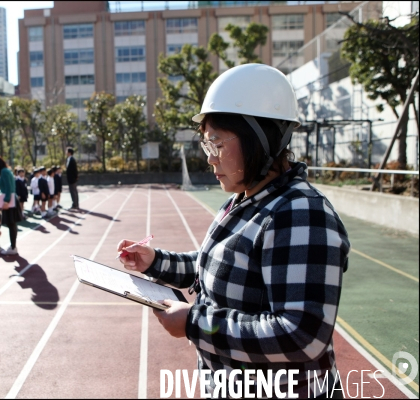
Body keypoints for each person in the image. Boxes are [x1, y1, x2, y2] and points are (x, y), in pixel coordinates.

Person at [116, 64, 350, 398]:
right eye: (206, 145)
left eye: (217, 144)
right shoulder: (245, 199)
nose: (210, 159)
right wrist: (154, 261)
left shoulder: (300, 214)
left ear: (259, 140)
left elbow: (302, 334)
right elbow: (218, 266)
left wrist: (195, 324)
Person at [0, 156, 19, 255]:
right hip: (11, 199)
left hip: (9, 200)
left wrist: (6, 201)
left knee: (11, 224)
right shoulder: (6, 171)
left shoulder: (4, 172)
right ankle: (13, 246)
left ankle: (13, 246)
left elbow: (8, 187)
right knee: (12, 224)